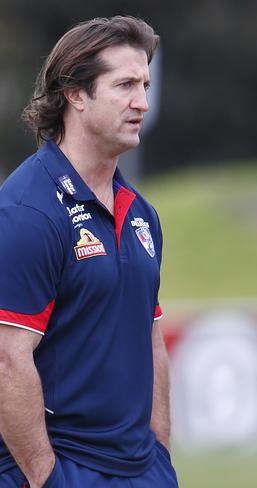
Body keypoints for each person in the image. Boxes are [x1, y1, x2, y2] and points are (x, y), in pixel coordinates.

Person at [0, 16, 178, 487]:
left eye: (145, 84)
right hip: (65, 468)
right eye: (124, 85)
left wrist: (160, 454)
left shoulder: (141, 213)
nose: (142, 102)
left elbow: (151, 337)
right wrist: (46, 477)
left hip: (142, 469)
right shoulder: (26, 212)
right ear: (75, 94)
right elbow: (6, 361)